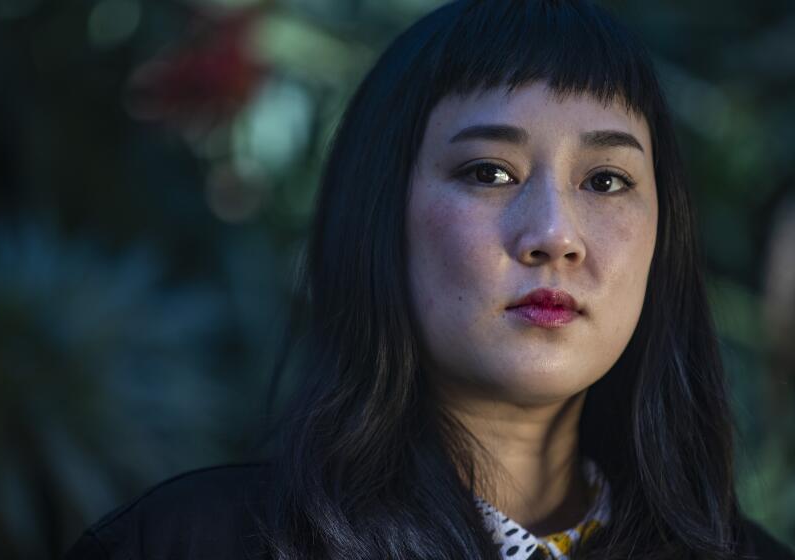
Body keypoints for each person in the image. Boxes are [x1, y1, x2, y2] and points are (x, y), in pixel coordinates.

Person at [65, 1, 795, 558]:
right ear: (380, 214)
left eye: (606, 179)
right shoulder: (196, 544)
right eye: (488, 172)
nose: (554, 236)